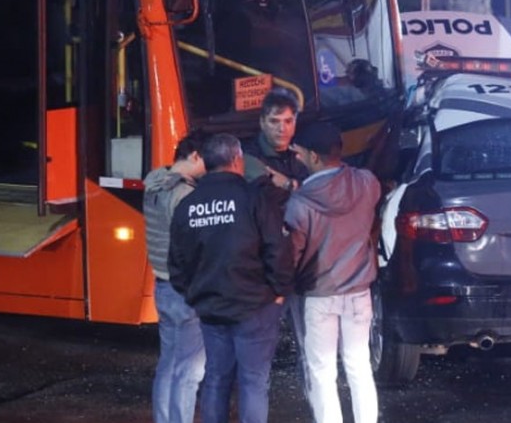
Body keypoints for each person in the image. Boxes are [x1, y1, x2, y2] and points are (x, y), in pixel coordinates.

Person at [168, 133, 294, 423]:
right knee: (252, 382)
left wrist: (195, 294)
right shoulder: (254, 198)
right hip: (255, 306)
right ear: (237, 160)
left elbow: (176, 262)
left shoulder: (188, 205)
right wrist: (279, 291)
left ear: (206, 162)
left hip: (211, 308)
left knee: (216, 379)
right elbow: (278, 249)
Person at [285, 122, 381, 423]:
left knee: (322, 371)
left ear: (314, 156)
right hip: (359, 293)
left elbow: (293, 255)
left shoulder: (299, 203)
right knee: (359, 366)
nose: (297, 158)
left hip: (319, 294)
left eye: (299, 153)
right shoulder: (367, 183)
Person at [144, 131, 207, 423]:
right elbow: (193, 245)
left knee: (168, 365)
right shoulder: (184, 194)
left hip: (162, 285)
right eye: (207, 161)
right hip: (184, 291)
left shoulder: (155, 182)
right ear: (194, 155)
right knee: (190, 371)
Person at [243, 88, 309, 195]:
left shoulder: (304, 153)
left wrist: (289, 184)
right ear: (262, 122)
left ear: (295, 123)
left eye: (288, 121)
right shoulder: (249, 157)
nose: (282, 129)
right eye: (274, 121)